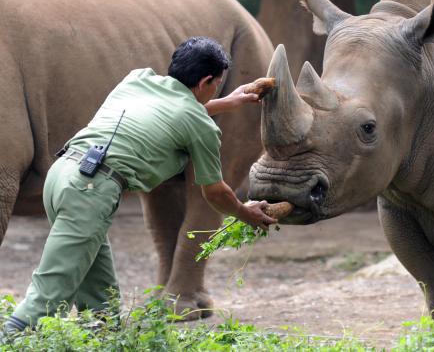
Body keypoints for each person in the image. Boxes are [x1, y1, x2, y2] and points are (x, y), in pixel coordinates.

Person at [3, 36, 276, 334]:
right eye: (216, 85)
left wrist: (226, 103)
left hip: (62, 174)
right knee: (50, 288)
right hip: (92, 190)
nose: (216, 90)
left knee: (99, 295)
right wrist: (244, 212)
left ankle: (103, 335)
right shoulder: (202, 127)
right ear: (206, 81)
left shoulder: (138, 80)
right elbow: (215, 192)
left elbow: (166, 112)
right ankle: (10, 337)